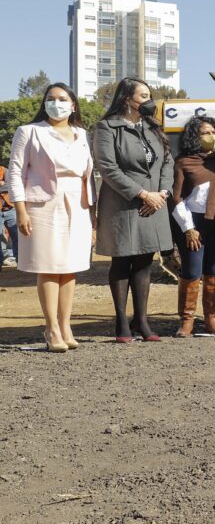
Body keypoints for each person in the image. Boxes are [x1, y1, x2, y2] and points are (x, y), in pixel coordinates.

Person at [8, 83, 95, 352]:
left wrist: (92, 212)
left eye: (62, 98)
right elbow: (15, 172)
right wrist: (20, 209)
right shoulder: (30, 132)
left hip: (77, 204)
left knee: (70, 267)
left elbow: (87, 175)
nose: (56, 103)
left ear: (73, 104)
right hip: (42, 204)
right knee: (49, 265)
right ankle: (51, 328)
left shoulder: (81, 134)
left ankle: (66, 325)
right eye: (50, 98)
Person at [94, 77, 173, 343]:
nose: (148, 101)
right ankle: (121, 321)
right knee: (121, 261)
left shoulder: (152, 128)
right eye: (142, 96)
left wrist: (162, 192)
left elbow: (167, 162)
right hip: (123, 204)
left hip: (155, 204)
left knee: (144, 263)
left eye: (149, 95)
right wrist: (142, 194)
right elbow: (108, 168)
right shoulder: (107, 127)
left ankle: (141, 320)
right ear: (127, 99)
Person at [170, 116, 215, 338]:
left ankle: (211, 319)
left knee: (214, 270)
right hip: (193, 223)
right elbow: (176, 198)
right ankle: (187, 320)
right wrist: (189, 228)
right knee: (191, 270)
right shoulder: (183, 162)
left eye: (214, 132)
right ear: (193, 137)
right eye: (205, 133)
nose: (211, 137)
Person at [0, 164, 17, 268]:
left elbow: (12, 186)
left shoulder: (4, 170)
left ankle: (20, 260)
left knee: (17, 235)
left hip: (10, 208)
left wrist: (3, 185)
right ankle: (3, 259)